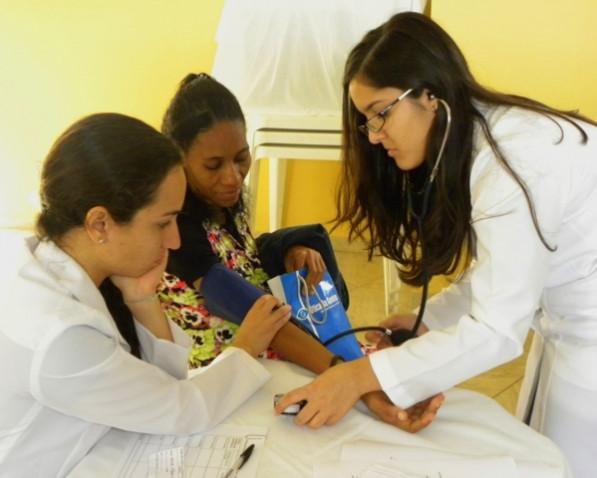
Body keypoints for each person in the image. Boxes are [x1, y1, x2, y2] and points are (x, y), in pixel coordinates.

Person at [274, 12, 597, 478]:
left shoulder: (514, 162)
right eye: (367, 121)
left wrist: (358, 377)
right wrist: (429, 322)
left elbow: (496, 332)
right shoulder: (481, 142)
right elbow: (504, 270)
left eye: (381, 113)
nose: (375, 135)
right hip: (569, 329)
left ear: (431, 95)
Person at [0, 113, 292, 477]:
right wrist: (245, 348)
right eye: (162, 223)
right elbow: (180, 409)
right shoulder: (60, 333)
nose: (174, 241)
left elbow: (158, 388)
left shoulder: (43, 258)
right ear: (100, 224)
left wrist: (142, 299)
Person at [159, 73, 444, 431]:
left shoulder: (219, 203)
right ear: (179, 159)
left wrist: (292, 247)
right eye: (214, 166)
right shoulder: (176, 230)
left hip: (268, 354)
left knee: (394, 374)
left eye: (242, 158)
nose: (233, 177)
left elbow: (240, 259)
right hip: (228, 375)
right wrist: (352, 380)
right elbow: (264, 317)